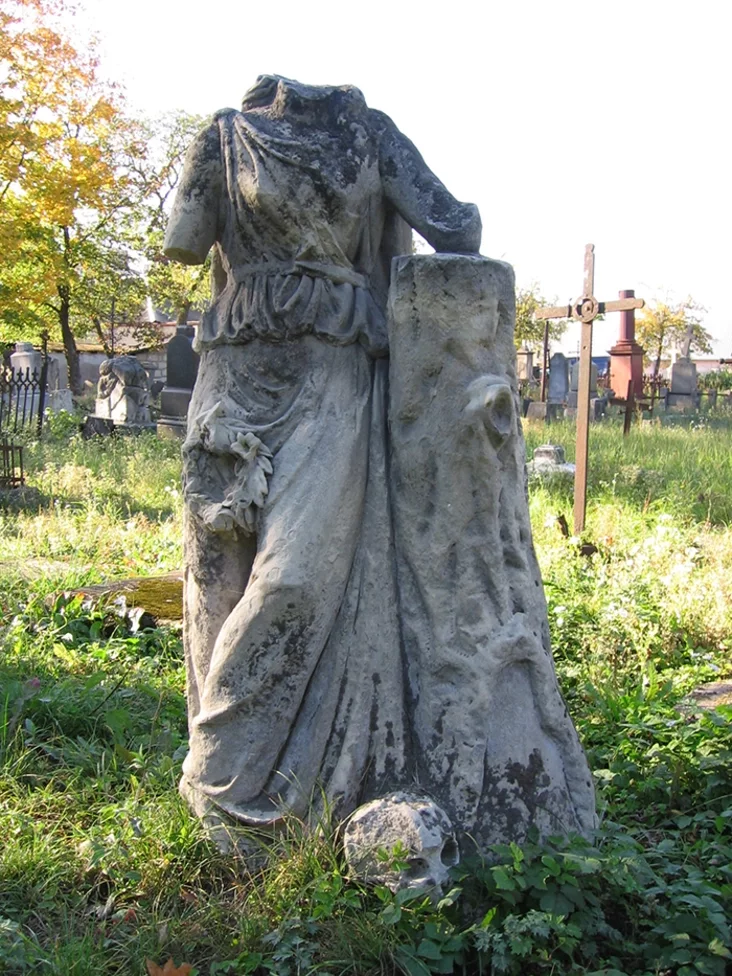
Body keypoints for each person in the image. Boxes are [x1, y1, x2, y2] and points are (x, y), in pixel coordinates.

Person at [164, 74, 480, 827]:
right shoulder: (222, 136)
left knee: (295, 579)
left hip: (330, 372)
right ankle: (221, 796)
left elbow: (456, 229)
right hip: (233, 377)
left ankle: (219, 780)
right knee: (215, 579)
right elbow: (184, 241)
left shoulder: (370, 133)